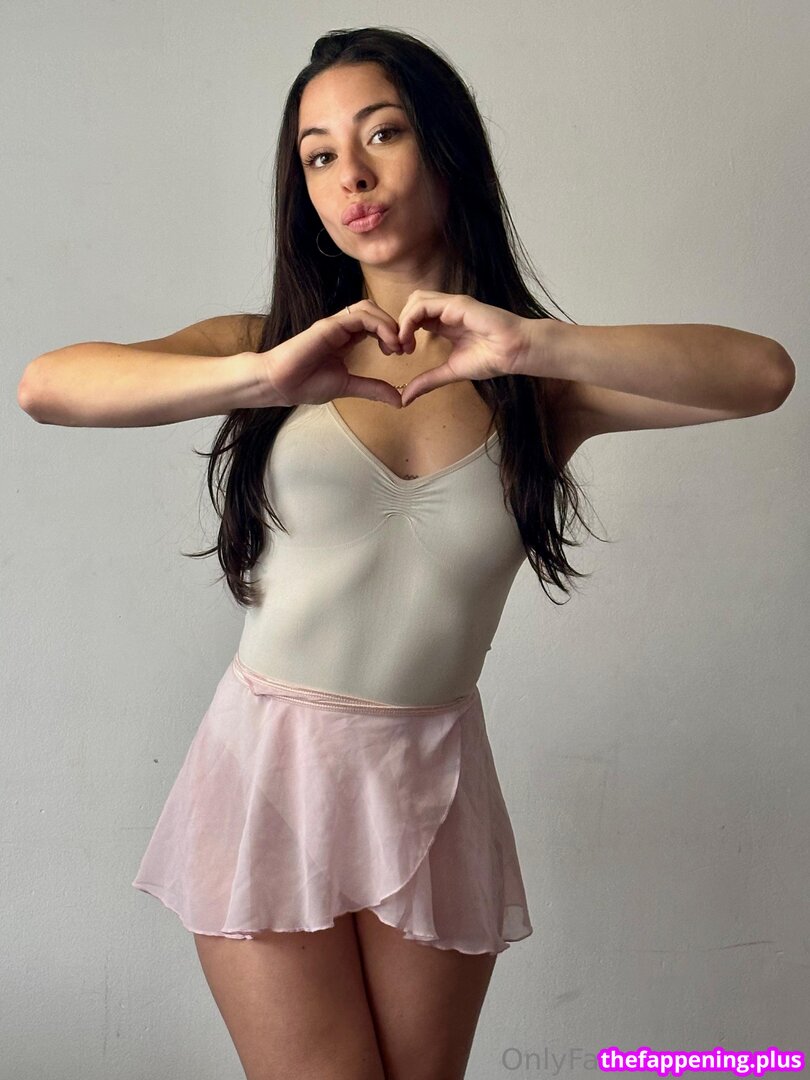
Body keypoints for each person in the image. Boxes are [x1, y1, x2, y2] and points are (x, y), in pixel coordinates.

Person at [17, 26, 794, 1080]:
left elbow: (763, 375)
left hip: (433, 777)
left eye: (381, 134)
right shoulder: (266, 344)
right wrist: (262, 379)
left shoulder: (537, 387)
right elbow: (46, 387)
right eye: (319, 154)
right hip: (268, 768)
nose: (351, 175)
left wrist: (533, 342)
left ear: (446, 147)